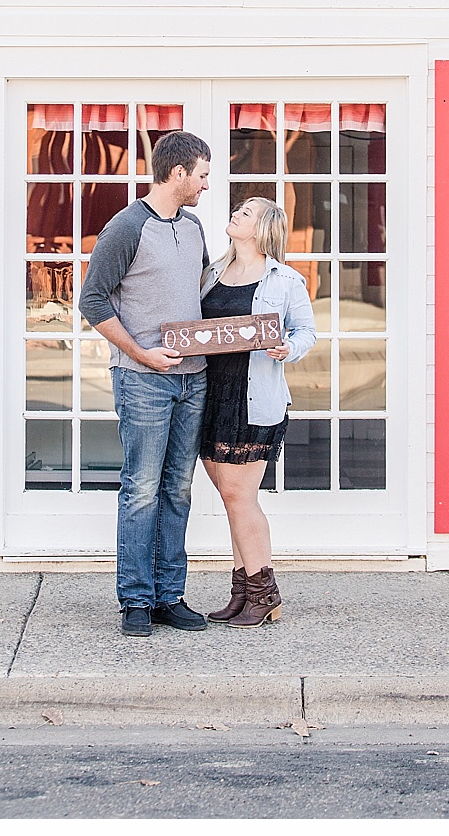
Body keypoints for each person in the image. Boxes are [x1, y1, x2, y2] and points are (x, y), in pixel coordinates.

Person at [78, 131, 214, 638]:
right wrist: (141, 353)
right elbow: (93, 302)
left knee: (178, 489)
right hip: (142, 381)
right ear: (177, 173)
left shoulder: (195, 226)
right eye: (201, 174)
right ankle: (135, 599)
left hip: (192, 379)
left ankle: (168, 595)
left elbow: (200, 295)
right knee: (141, 490)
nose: (205, 184)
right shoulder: (127, 226)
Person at [199, 196, 316, 627]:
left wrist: (289, 348)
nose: (235, 214)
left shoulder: (284, 280)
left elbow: (306, 331)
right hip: (209, 395)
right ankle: (243, 591)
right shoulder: (212, 274)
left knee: (239, 497)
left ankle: (264, 593)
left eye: (245, 212)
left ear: (264, 227)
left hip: (253, 398)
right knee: (232, 500)